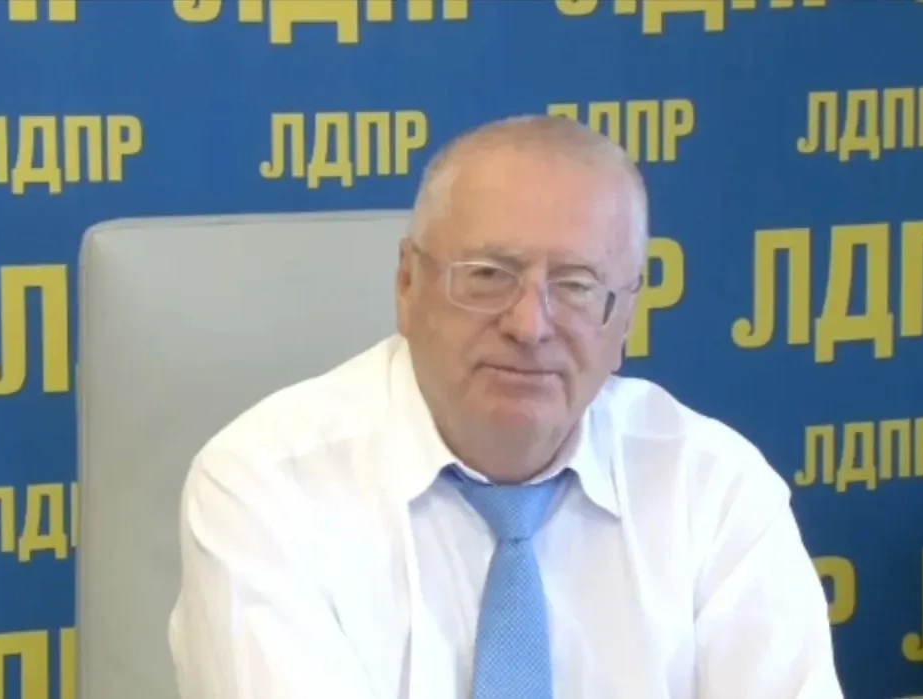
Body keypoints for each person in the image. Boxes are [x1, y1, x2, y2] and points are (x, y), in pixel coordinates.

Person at [167, 115, 844, 699]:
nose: (529, 325)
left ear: (625, 319)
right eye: (489, 276)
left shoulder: (714, 488)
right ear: (407, 284)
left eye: (576, 285)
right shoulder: (267, 486)